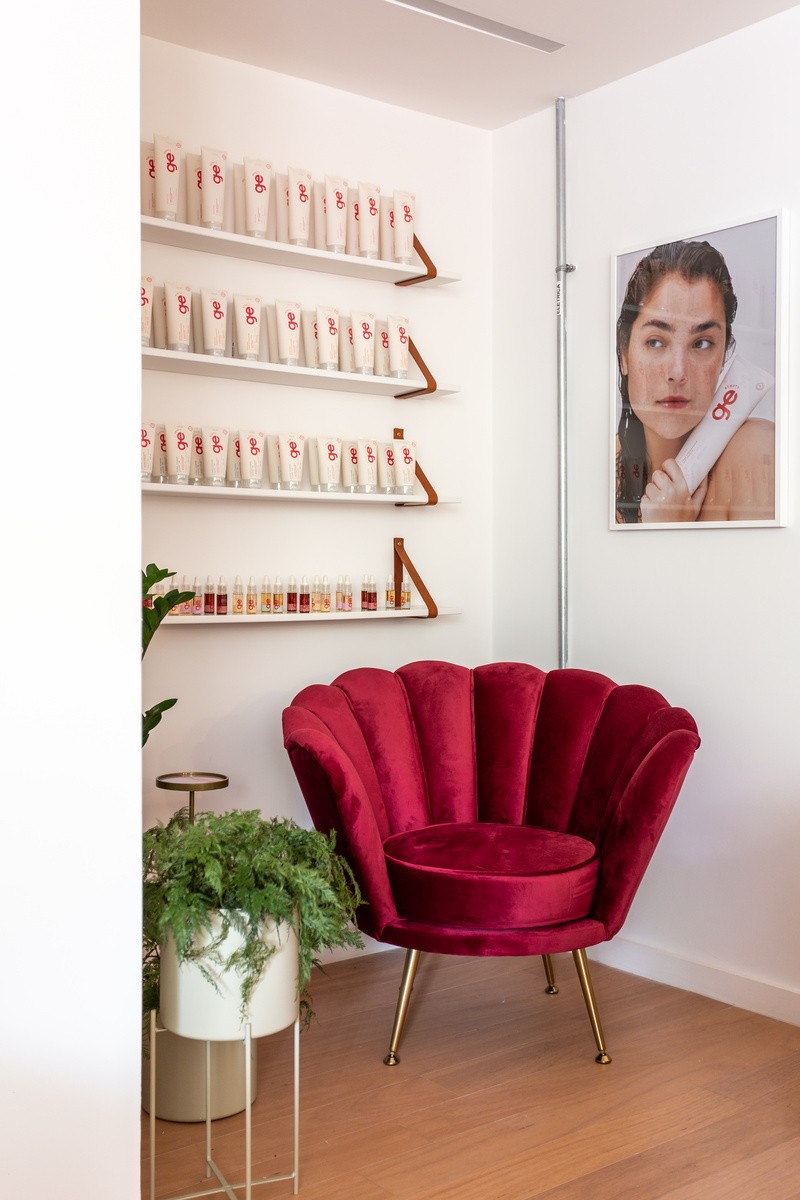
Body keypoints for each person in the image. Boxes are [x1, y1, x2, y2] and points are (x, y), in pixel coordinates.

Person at [615, 239, 774, 523]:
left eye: (701, 343)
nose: (678, 372)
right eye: (655, 341)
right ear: (624, 353)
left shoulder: (756, 451)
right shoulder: (597, 465)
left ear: (723, 354)